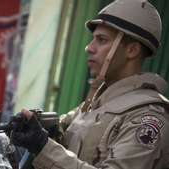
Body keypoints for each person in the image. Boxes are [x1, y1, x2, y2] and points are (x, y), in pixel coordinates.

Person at [10, 0, 169, 169]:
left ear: (132, 50)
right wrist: (34, 129)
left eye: (101, 40)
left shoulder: (148, 118)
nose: (89, 48)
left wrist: (43, 146)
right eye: (93, 39)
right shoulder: (94, 105)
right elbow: (63, 134)